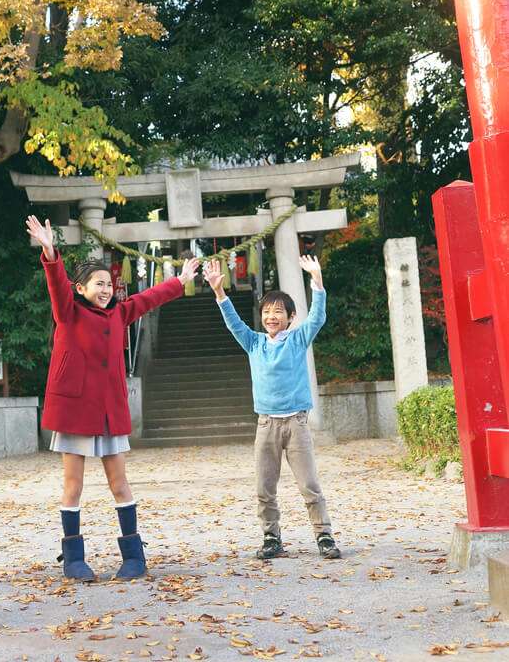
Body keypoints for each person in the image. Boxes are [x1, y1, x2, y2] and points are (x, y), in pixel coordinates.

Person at [26, 214, 199, 581]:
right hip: (75, 411)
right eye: (98, 284)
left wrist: (179, 282)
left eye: (109, 283)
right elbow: (56, 285)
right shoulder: (68, 312)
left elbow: (148, 299)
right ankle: (73, 557)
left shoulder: (119, 313)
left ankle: (134, 555)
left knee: (119, 483)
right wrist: (50, 250)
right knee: (73, 485)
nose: (105, 289)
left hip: (108, 412)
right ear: (82, 288)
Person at [203, 254, 341, 561]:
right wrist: (219, 291)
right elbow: (233, 323)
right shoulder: (254, 343)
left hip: (296, 423)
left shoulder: (298, 339)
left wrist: (316, 280)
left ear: (291, 317)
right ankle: (271, 537)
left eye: (278, 312)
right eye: (267, 312)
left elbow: (317, 318)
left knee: (309, 485)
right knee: (264, 487)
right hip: (266, 424)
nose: (272, 316)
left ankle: (324, 535)